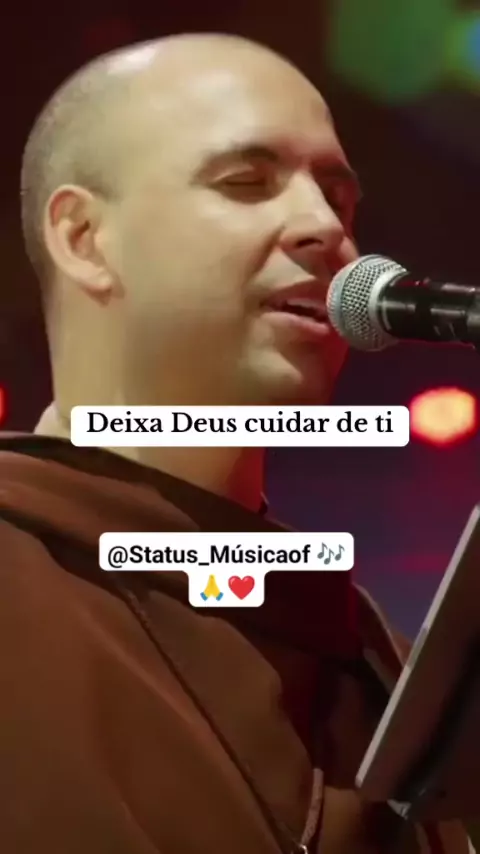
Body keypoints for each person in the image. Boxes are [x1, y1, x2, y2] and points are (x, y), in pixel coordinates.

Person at [0, 32, 473, 854]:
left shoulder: (379, 663)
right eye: (246, 183)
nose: (325, 229)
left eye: (339, 200)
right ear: (83, 238)